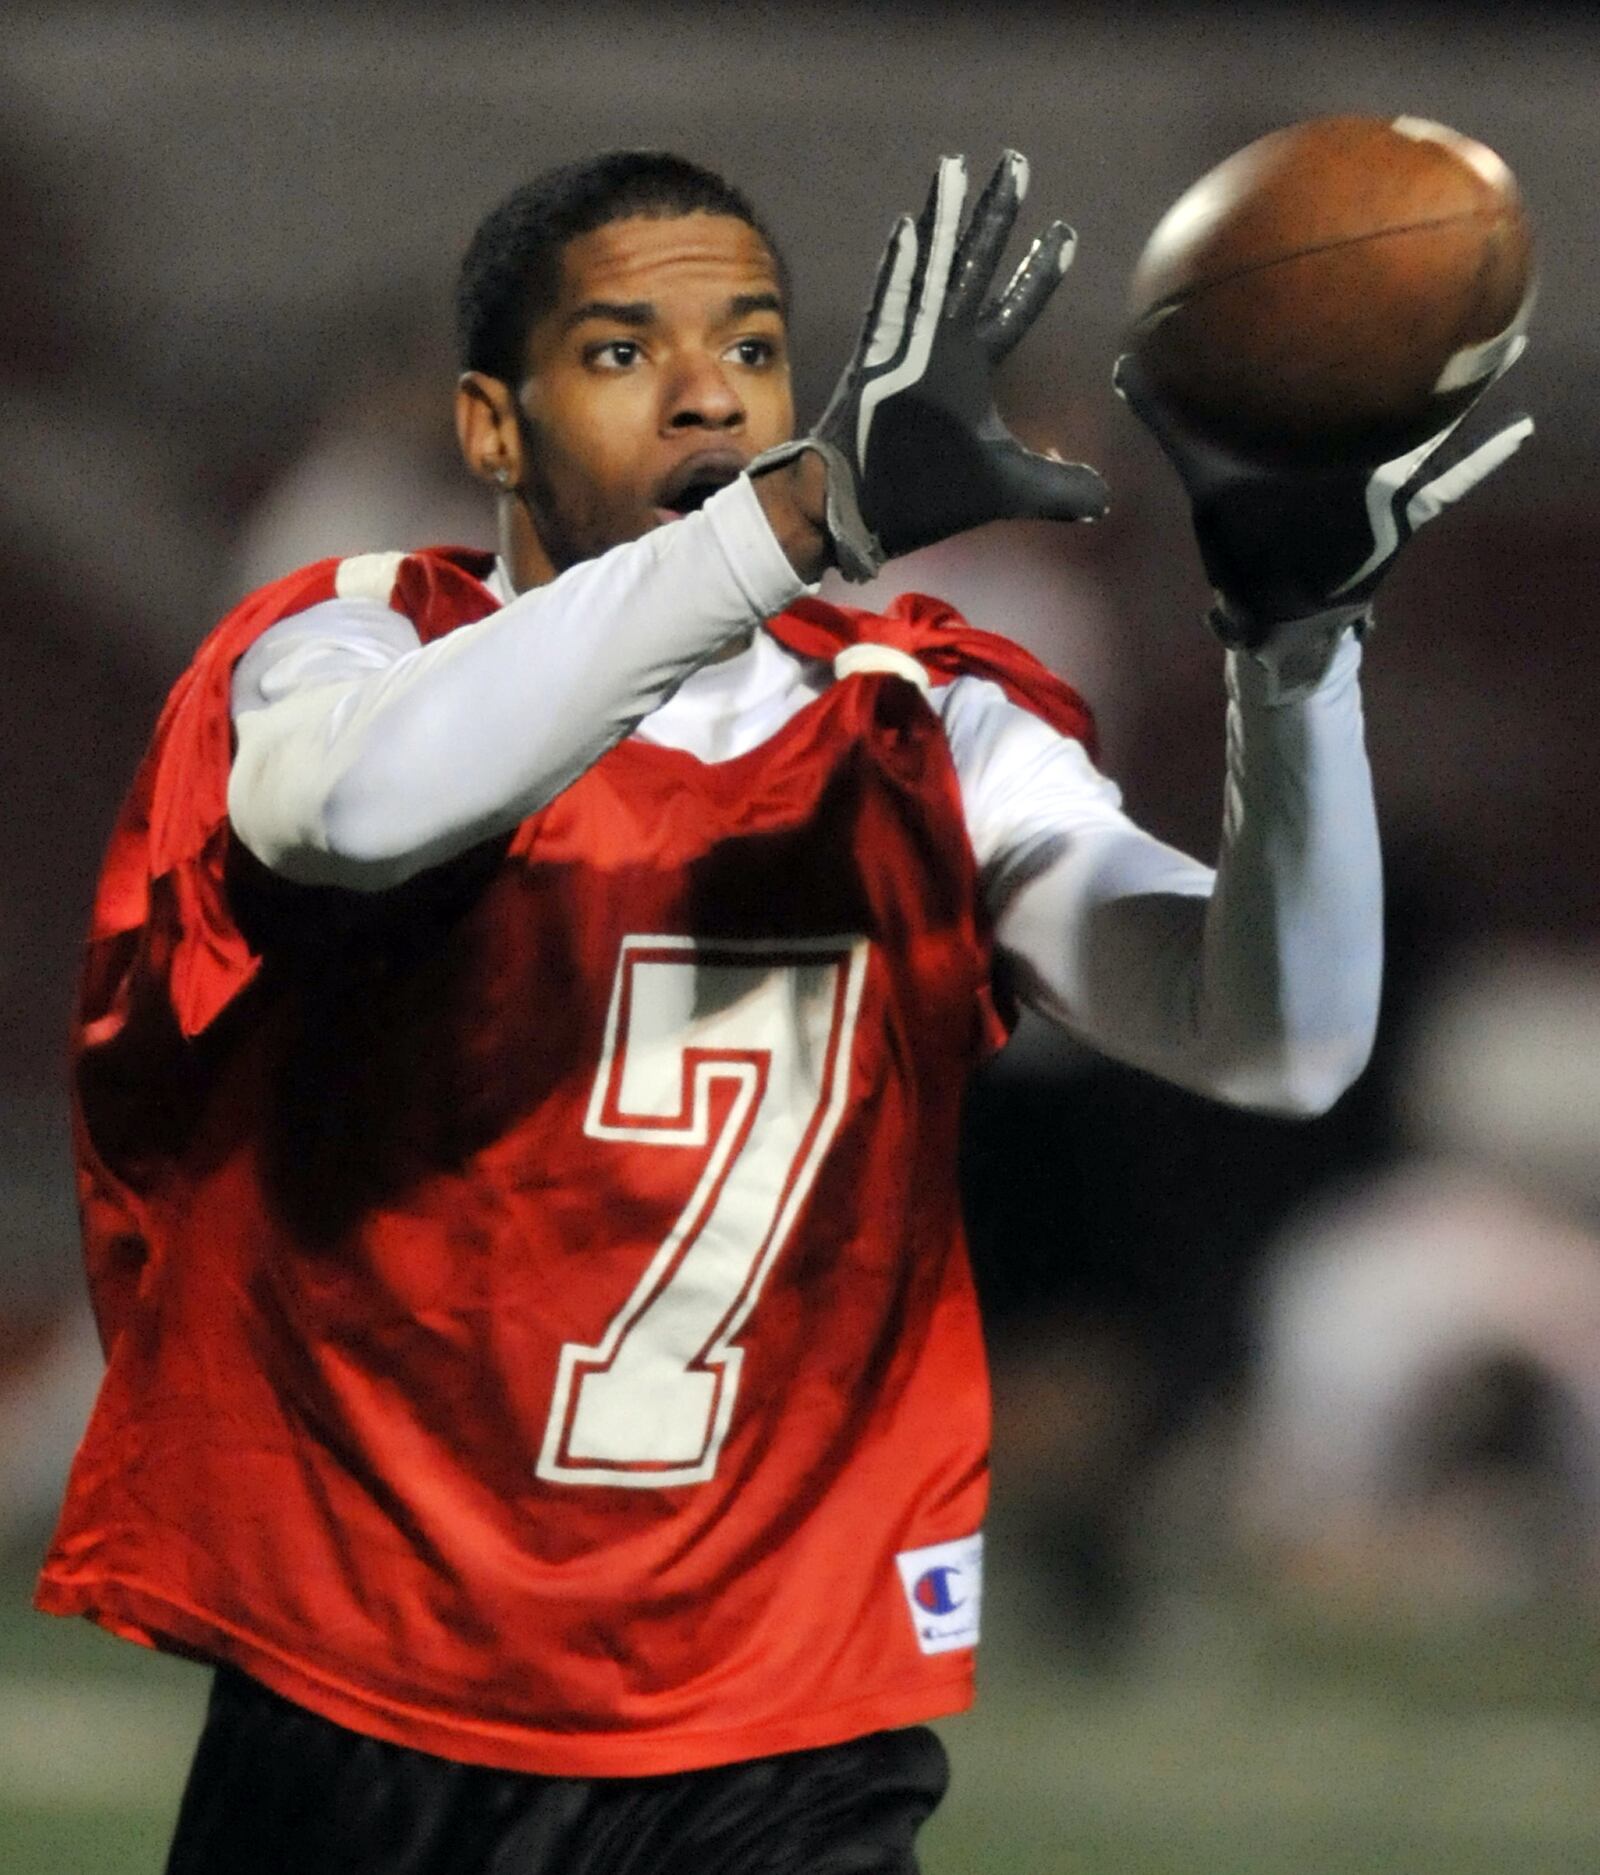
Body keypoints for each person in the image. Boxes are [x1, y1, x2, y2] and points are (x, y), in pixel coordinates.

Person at [37, 147, 1526, 1873]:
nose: (701, 396)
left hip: (777, 1725)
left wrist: (1298, 657)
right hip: (368, 1690)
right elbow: (352, 812)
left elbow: (1277, 1038)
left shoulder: (923, 723)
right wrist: (793, 518)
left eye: (749, 350)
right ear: (490, 426)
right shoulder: (347, 643)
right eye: (620, 352)